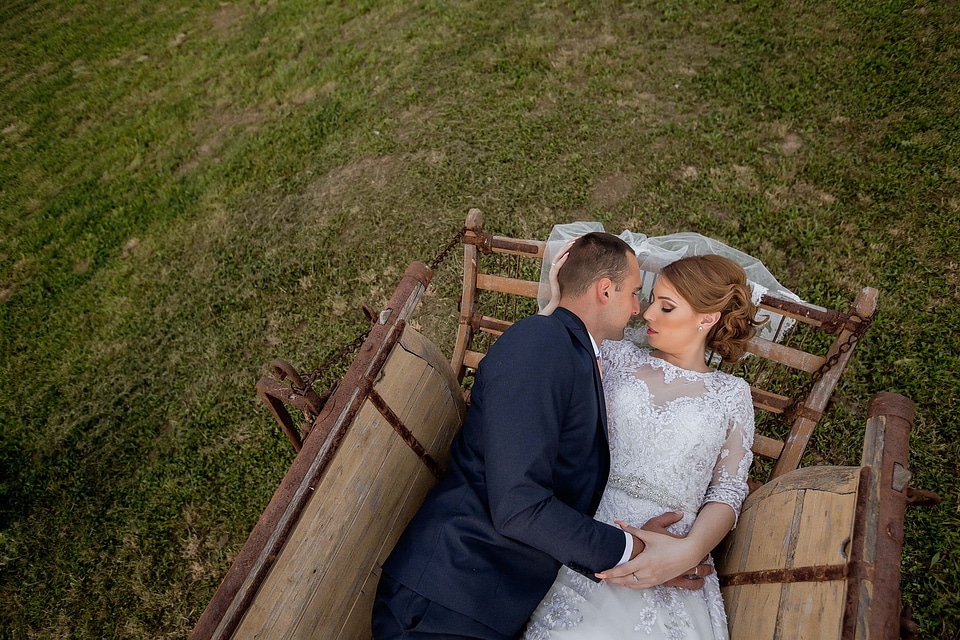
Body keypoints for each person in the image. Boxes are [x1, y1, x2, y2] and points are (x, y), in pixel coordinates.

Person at [373, 232, 684, 639]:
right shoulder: (539, 344)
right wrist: (641, 554)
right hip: (442, 602)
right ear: (604, 290)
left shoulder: (565, 347)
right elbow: (519, 506)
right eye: (633, 294)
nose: (637, 308)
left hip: (481, 600)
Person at [523, 251, 761, 640]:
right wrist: (555, 302)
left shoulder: (731, 394)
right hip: (593, 529)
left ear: (707, 318)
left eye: (665, 307)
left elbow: (728, 490)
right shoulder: (616, 357)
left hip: (674, 551)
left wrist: (687, 552)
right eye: (651, 301)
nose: (646, 314)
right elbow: (542, 362)